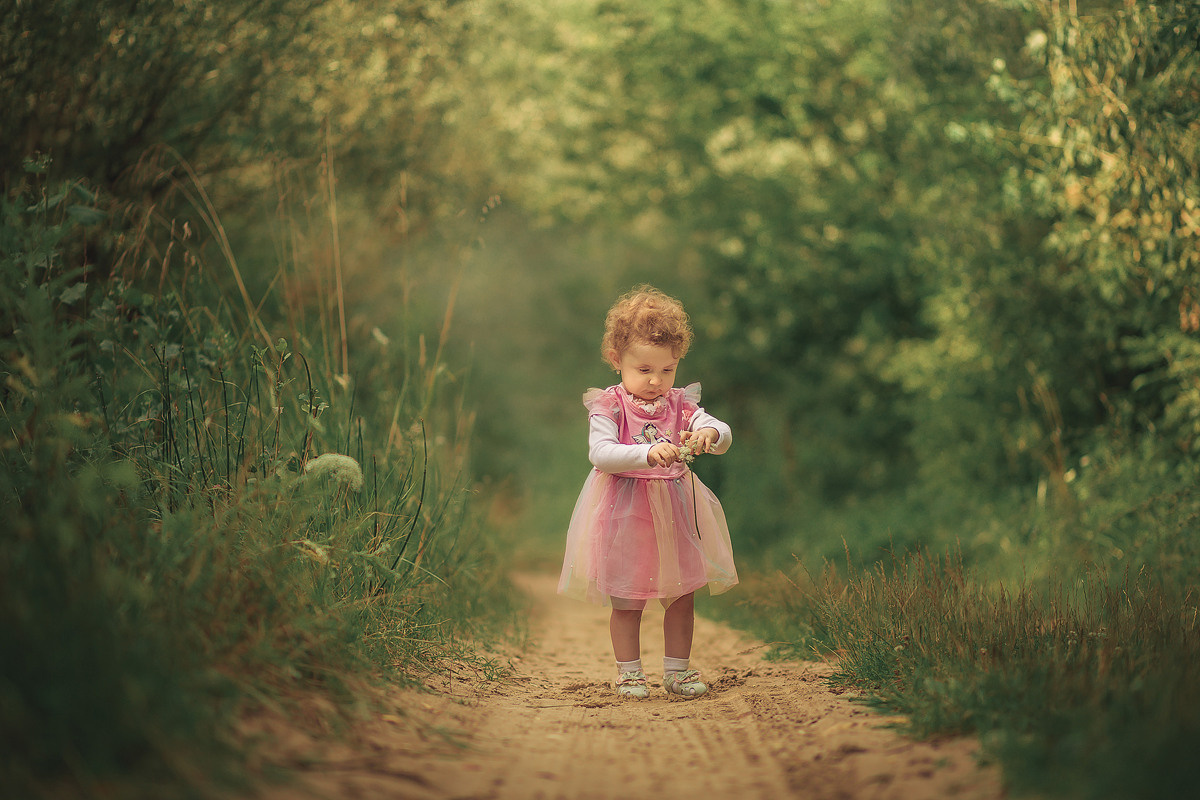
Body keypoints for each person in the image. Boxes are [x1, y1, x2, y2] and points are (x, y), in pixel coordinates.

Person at [558, 285, 738, 699]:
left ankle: (677, 671)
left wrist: (709, 432)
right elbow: (601, 454)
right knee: (627, 598)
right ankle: (629, 672)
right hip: (625, 511)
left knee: (681, 594)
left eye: (668, 370)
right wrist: (646, 452)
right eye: (644, 370)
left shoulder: (681, 405)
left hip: (674, 510)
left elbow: (723, 432)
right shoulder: (612, 406)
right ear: (616, 360)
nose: (657, 381)